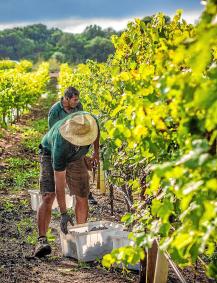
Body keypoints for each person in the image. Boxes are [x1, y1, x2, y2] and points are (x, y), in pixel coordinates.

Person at [34, 111, 99, 258]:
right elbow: (60, 184)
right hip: (48, 153)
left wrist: (96, 152)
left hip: (76, 157)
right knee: (48, 196)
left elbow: (97, 130)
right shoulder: (60, 144)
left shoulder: (89, 121)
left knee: (82, 194)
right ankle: (41, 240)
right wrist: (63, 214)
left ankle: (80, 237)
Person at [48, 86, 98, 205]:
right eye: (75, 100)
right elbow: (53, 132)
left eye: (77, 99)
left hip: (76, 142)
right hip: (61, 143)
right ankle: (64, 195)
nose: (77, 102)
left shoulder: (78, 106)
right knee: (61, 171)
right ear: (66, 98)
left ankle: (86, 194)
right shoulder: (55, 111)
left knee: (81, 170)